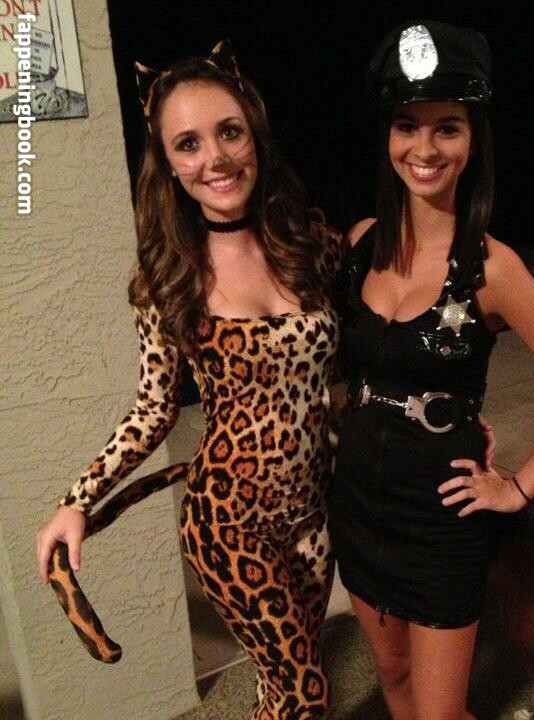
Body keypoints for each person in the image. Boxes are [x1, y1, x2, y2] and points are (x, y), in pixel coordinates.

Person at [35, 40, 340, 720]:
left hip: (312, 514)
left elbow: (375, 343)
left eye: (229, 132)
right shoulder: (167, 280)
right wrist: (76, 501)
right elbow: (154, 409)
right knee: (305, 693)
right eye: (189, 144)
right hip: (227, 523)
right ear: (169, 165)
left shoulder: (310, 244)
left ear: (255, 135)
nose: (216, 158)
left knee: (282, 682)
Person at [329, 21, 534, 720]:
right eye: (407, 125)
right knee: (393, 674)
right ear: (388, 135)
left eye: (447, 127)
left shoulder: (493, 267)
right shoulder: (360, 243)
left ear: (473, 139)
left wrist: (518, 487)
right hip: (357, 501)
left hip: (440, 518)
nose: (424, 149)